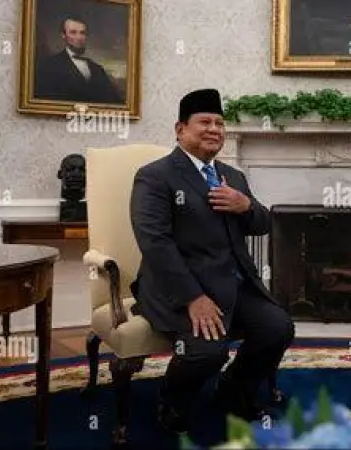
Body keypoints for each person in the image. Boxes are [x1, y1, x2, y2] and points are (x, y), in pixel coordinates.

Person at [129, 88, 295, 433]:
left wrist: (245, 206)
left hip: (234, 285)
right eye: (205, 122)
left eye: (220, 123)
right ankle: (172, 401)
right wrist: (193, 298)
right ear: (180, 129)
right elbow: (155, 243)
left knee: (278, 328)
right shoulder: (155, 176)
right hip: (179, 288)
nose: (214, 129)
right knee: (208, 352)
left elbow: (262, 225)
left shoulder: (233, 177)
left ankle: (232, 391)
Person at [35, 16, 123, 104]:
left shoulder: (97, 69)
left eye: (82, 33)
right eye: (73, 32)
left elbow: (115, 102)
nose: (79, 37)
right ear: (63, 35)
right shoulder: (49, 66)